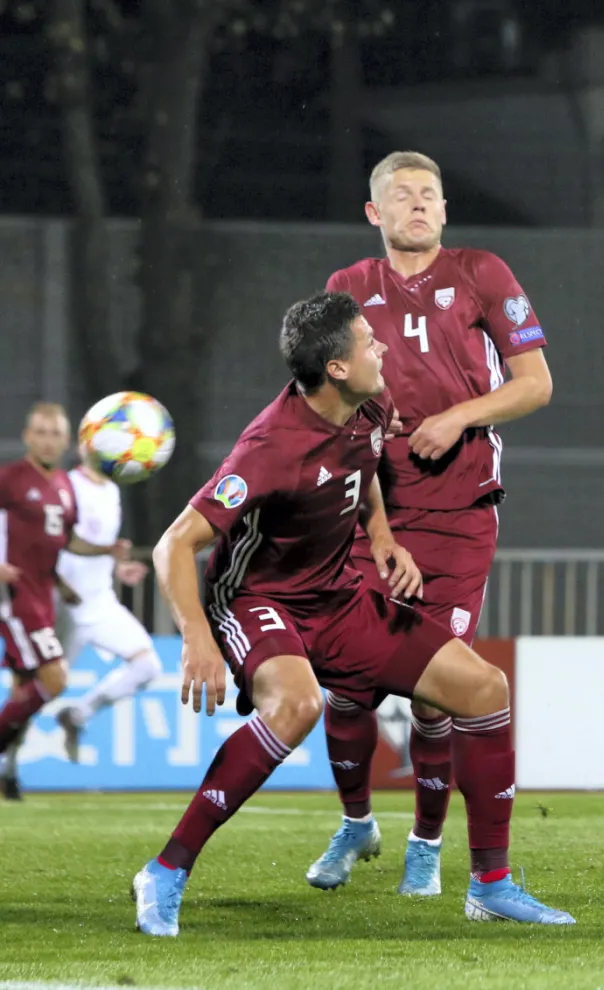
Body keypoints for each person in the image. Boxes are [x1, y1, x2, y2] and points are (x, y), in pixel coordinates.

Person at [130, 291, 572, 937]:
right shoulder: (269, 447)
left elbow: (362, 472)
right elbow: (176, 542)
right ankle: (166, 870)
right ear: (336, 368)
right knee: (297, 705)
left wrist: (385, 539)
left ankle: (491, 885)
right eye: (369, 341)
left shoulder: (372, 402)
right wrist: (197, 638)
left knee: (483, 689)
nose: (383, 347)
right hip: (259, 600)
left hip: (336, 596)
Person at [305, 150, 556, 919]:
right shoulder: (347, 288)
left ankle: (428, 848)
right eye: (401, 196)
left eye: (430, 195)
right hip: (371, 516)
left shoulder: (483, 271)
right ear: (374, 214)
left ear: (445, 210)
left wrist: (457, 417)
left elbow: (536, 384)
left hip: (458, 514)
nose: (418, 205)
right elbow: (324, 399)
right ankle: (355, 826)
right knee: (345, 688)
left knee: (436, 694)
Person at [0, 403, 132, 798]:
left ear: (67, 440)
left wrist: (105, 549)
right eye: (40, 431)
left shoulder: (62, 485)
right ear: (27, 436)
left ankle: (7, 771)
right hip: (16, 595)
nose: (47, 439)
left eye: (55, 433)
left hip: (43, 594)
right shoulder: (11, 478)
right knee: (54, 679)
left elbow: (66, 541)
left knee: (26, 690)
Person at [52, 453, 161, 761]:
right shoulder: (67, 485)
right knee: (43, 689)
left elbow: (100, 548)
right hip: (66, 606)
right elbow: (58, 542)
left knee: (147, 666)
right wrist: (58, 583)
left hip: (100, 603)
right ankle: (7, 764)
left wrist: (118, 568)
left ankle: (77, 714)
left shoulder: (112, 491)